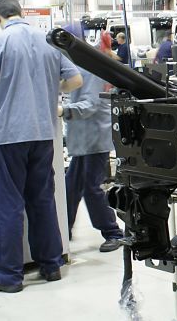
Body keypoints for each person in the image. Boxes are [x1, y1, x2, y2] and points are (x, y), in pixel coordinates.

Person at [0, 0, 83, 293]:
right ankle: (51, 265)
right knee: (43, 200)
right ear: (20, 12)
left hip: (10, 136)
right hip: (43, 133)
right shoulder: (48, 42)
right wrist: (50, 89)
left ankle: (8, 277)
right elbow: (75, 81)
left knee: (9, 205)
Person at [59, 27, 124, 252]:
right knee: (71, 186)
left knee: (91, 187)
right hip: (82, 140)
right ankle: (63, 230)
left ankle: (113, 232)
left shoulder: (90, 69)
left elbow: (90, 105)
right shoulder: (77, 67)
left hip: (95, 138)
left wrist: (64, 111)